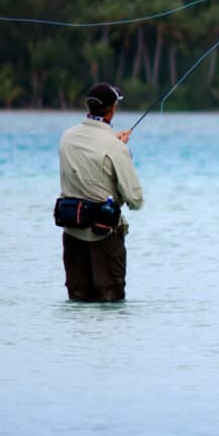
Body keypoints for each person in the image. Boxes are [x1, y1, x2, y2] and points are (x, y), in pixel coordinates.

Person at [57, 82, 143, 302]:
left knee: (78, 303)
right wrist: (123, 151)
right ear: (112, 109)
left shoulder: (67, 137)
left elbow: (89, 159)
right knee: (110, 306)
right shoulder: (116, 148)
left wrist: (115, 145)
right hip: (104, 238)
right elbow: (135, 200)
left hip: (72, 235)